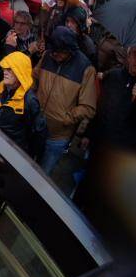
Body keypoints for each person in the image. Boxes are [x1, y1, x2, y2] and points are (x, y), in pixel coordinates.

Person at [34, 26, 97, 176]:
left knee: (42, 176)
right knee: (27, 166)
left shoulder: (86, 69)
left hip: (57, 137)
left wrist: (66, 118)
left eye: (58, 52)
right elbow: (34, 77)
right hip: (35, 126)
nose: (54, 54)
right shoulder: (48, 55)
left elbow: (88, 107)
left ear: (69, 51)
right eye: (52, 50)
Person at [0, 52, 50, 160]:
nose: (5, 72)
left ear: (20, 73)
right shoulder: (0, 88)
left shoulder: (29, 100)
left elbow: (38, 132)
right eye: (5, 68)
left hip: (13, 154)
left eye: (10, 69)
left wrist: (32, 157)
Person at [84, 46, 136, 152]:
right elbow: (100, 107)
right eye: (135, 55)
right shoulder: (114, 75)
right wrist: (88, 134)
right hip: (99, 139)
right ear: (129, 56)